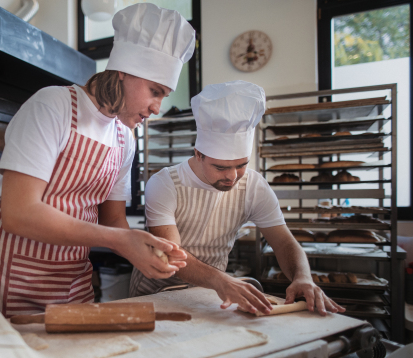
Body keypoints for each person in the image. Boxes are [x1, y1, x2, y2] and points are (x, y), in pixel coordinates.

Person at [0, 3, 194, 316]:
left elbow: (112, 220)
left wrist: (142, 249)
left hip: (73, 281)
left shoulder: (123, 138)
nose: (157, 107)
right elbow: (19, 213)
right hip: (14, 279)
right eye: (155, 91)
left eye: (163, 96)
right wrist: (120, 240)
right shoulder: (53, 106)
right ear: (123, 71)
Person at [130, 81, 346, 316]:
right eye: (221, 167)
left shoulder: (253, 186)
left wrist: (303, 277)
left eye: (241, 165)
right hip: (155, 298)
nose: (232, 177)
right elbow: (172, 254)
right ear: (198, 154)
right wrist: (222, 281)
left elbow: (284, 242)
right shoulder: (164, 183)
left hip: (211, 298)